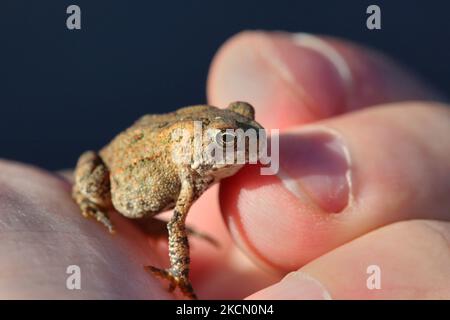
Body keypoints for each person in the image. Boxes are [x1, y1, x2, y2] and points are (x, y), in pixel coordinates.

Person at [1, 31, 449, 299]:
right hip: (118, 171)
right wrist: (179, 275)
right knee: (97, 182)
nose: (246, 139)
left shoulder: (210, 164)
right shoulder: (188, 170)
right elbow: (175, 222)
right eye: (225, 139)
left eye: (246, 123)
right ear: (203, 144)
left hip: (153, 183)